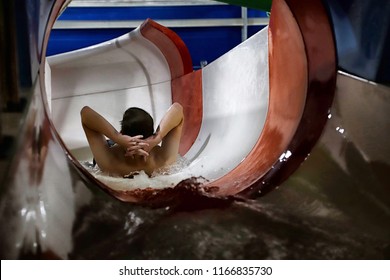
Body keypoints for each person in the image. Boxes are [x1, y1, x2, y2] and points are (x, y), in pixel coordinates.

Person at [80, 103, 184, 177]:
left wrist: (117, 137)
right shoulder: (163, 162)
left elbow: (85, 113)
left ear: (122, 132)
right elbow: (177, 109)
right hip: (143, 149)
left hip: (115, 149)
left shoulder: (109, 163)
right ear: (151, 134)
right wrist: (157, 138)